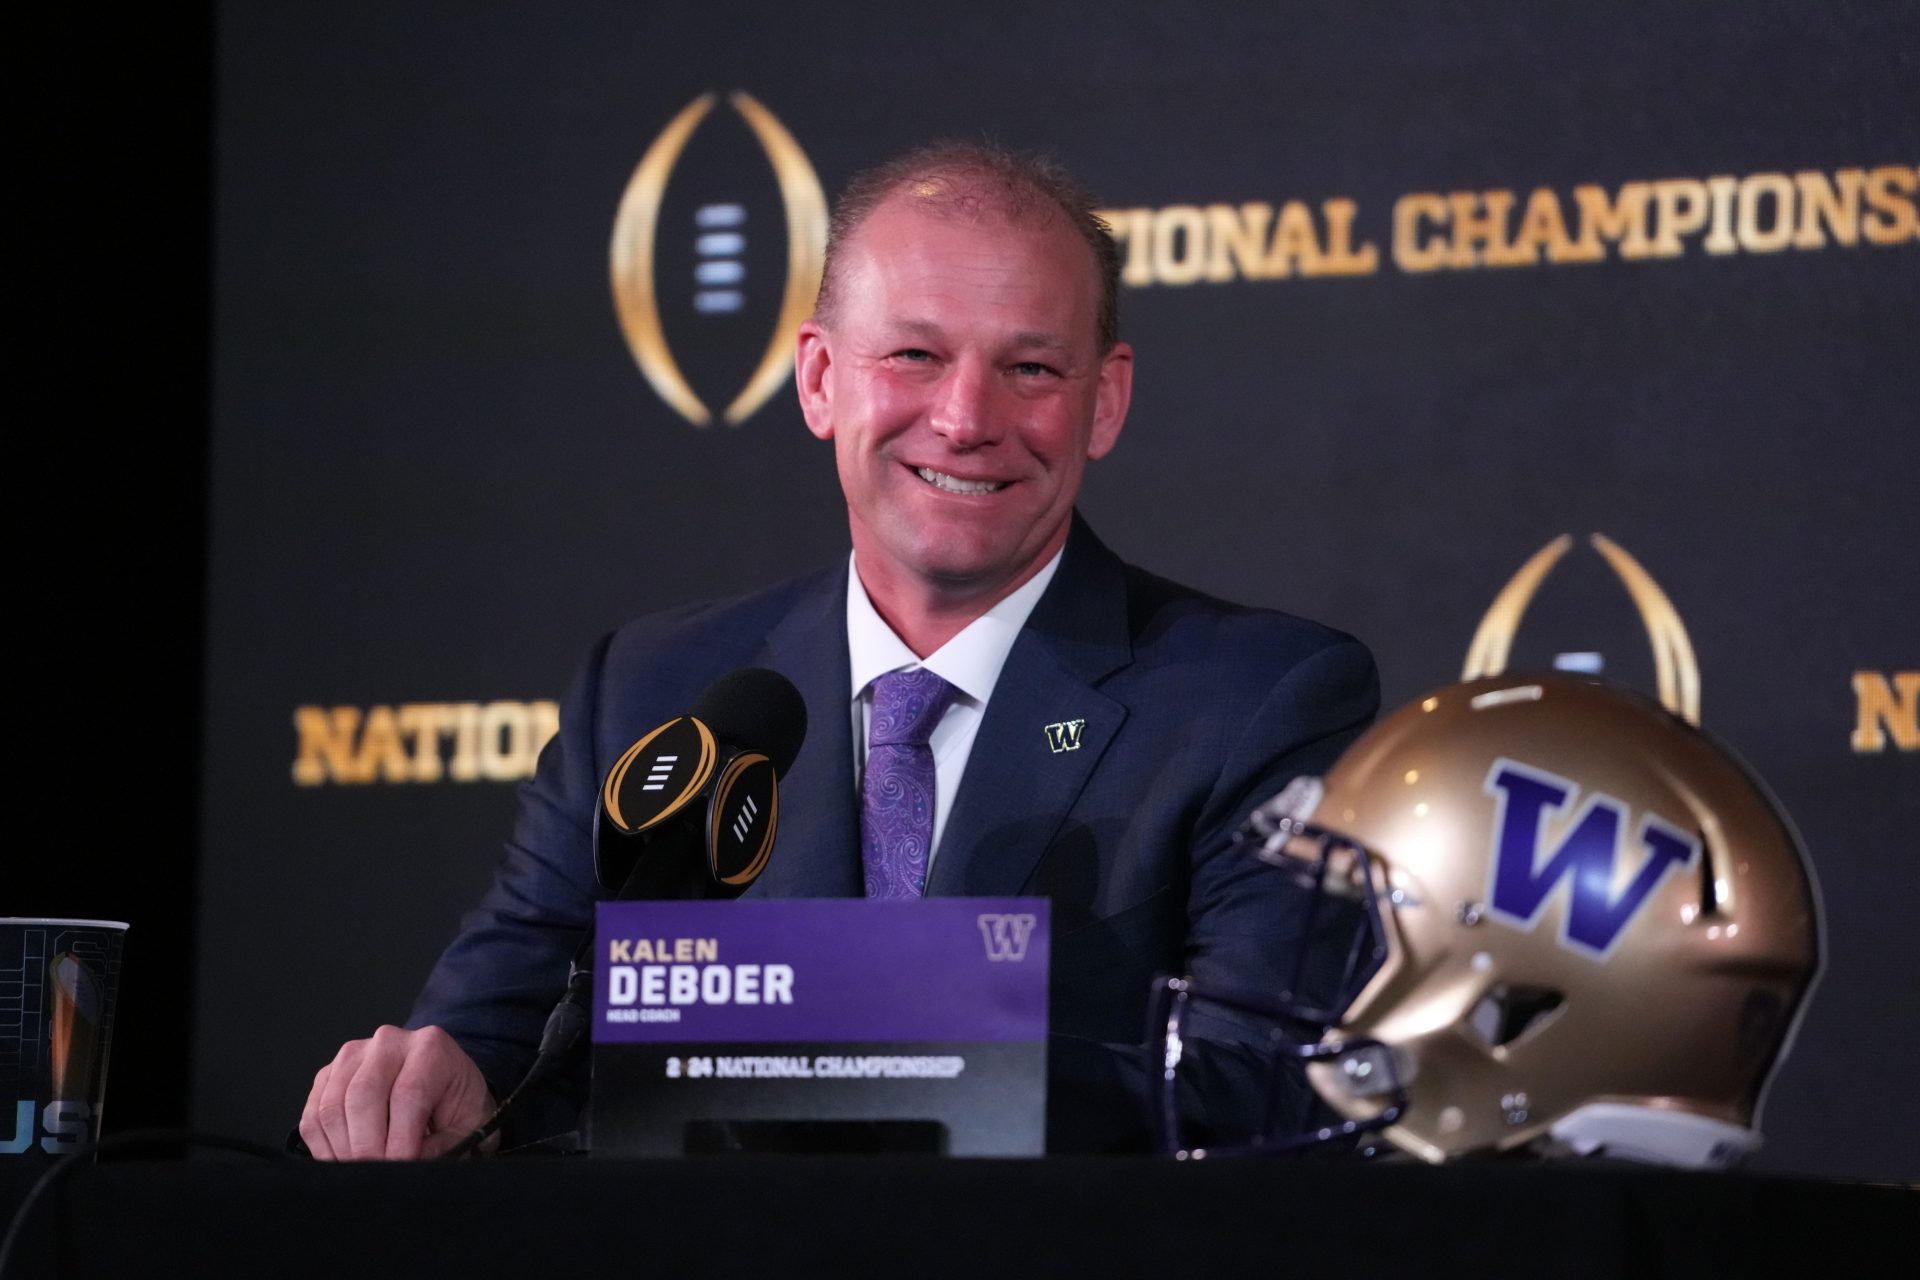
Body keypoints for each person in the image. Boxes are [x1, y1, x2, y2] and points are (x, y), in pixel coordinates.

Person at [299, 142, 1380, 1159]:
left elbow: (1273, 1096)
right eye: (915, 353)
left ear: (1106, 399)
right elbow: (492, 1039)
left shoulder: (1262, 699)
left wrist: (861, 1057)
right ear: (820, 379)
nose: (965, 417)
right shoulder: (649, 688)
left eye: (1033, 368)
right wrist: (417, 1083)